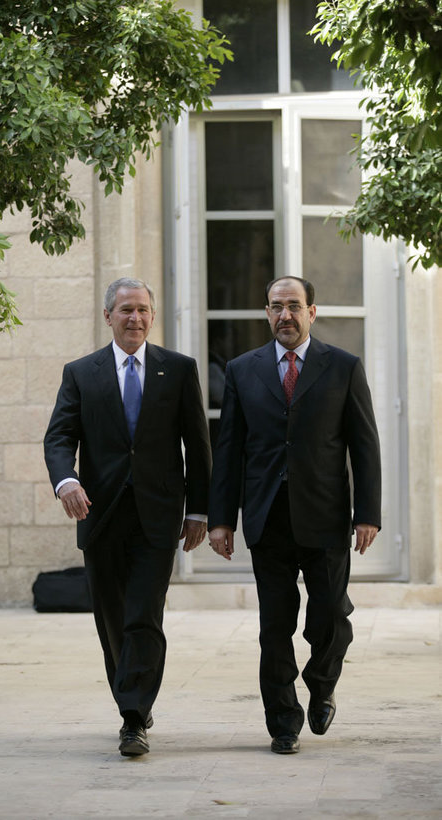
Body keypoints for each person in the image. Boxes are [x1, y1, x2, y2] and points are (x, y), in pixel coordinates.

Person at [208, 276, 381, 755]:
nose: (285, 315)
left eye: (294, 306)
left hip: (325, 517)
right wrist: (221, 519)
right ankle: (283, 722)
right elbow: (229, 450)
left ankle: (322, 683)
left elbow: (364, 444)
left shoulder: (343, 367)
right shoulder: (242, 370)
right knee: (274, 626)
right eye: (276, 306)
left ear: (312, 311)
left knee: (329, 617)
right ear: (267, 313)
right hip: (267, 518)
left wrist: (367, 513)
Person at [44, 277, 211, 757]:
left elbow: (197, 447)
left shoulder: (178, 370)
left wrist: (199, 509)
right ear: (108, 317)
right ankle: (133, 691)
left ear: (152, 316)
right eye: (125, 310)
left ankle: (133, 716)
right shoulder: (81, 372)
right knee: (112, 618)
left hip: (158, 516)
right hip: (99, 516)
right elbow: (59, 437)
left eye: (142, 310)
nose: (134, 318)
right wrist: (66, 481)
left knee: (144, 614)